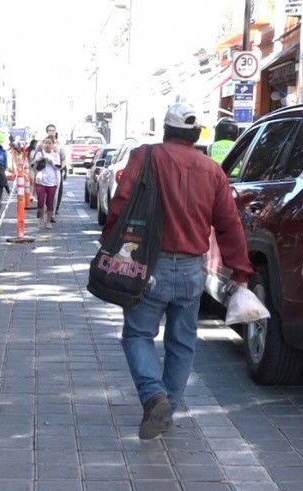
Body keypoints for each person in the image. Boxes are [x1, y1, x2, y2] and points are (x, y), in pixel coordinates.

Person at [101, 102, 253, 440]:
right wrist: (240, 270)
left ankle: (154, 396)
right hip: (191, 271)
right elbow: (230, 224)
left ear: (166, 131)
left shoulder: (147, 156)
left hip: (149, 267)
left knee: (137, 334)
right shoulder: (213, 170)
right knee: (182, 342)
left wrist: (109, 239)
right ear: (197, 134)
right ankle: (166, 406)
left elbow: (121, 201)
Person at [30, 135, 61, 229]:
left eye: (49, 143)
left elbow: (58, 167)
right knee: (40, 201)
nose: (47, 145)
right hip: (41, 181)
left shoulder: (56, 155)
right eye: (45, 143)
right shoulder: (39, 153)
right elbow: (33, 165)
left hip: (52, 182)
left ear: (53, 145)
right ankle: (41, 219)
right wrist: (40, 160)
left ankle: (48, 221)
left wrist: (51, 161)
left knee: (50, 202)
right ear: (43, 144)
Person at [43, 124, 68, 217]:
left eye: (53, 130)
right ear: (46, 131)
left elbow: (64, 158)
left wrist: (62, 168)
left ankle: (53, 211)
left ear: (55, 132)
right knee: (44, 193)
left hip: (56, 172)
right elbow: (36, 156)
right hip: (44, 172)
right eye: (49, 130)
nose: (51, 132)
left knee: (56, 192)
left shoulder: (59, 145)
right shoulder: (42, 144)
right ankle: (46, 209)